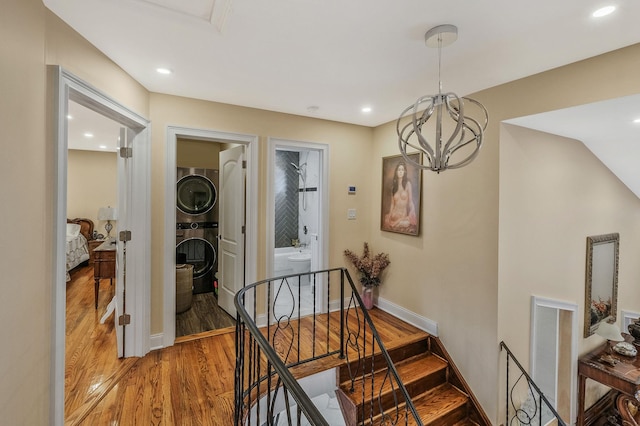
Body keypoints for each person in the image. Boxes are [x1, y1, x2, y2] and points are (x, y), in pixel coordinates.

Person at [384, 161, 417, 232]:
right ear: (396, 172)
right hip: (393, 216)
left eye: (402, 170)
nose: (400, 172)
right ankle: (391, 221)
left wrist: (412, 210)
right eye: (399, 170)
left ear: (405, 172)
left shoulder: (408, 184)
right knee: (386, 220)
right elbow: (392, 204)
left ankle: (398, 223)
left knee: (406, 223)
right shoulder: (394, 187)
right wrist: (389, 215)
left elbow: (410, 201)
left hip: (402, 217)